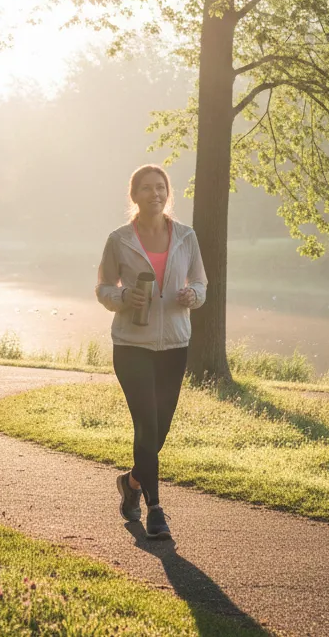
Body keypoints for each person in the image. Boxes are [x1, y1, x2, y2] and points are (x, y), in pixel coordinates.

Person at [95, 164, 207, 540]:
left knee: (158, 433)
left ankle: (131, 482)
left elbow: (201, 283)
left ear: (167, 193)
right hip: (131, 346)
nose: (155, 194)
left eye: (160, 187)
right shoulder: (119, 239)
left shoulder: (187, 237)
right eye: (146, 188)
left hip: (174, 345)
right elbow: (104, 287)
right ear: (135, 196)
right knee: (146, 425)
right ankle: (156, 509)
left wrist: (194, 295)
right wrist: (124, 297)